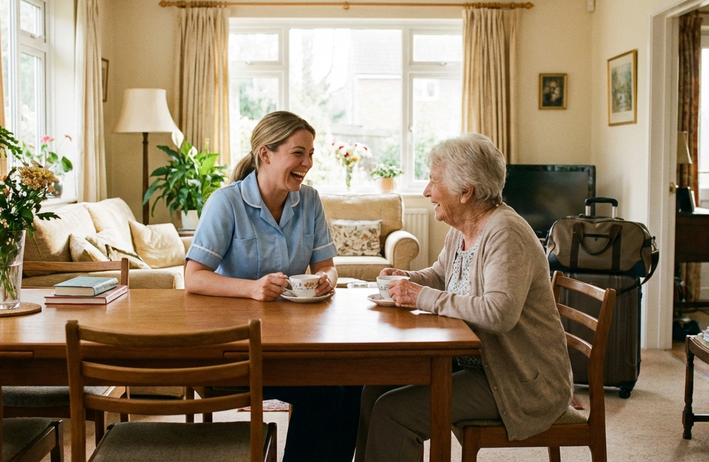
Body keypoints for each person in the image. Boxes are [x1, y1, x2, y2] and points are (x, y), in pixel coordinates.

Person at [354, 133, 573, 461]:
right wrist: (407, 278)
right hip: (474, 364)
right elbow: (441, 276)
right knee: (375, 388)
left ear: (465, 191)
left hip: (518, 380)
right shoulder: (462, 229)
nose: (427, 191)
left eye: (432, 181)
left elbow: (499, 313)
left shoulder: (505, 233)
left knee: (393, 413)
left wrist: (420, 295)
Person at [185, 111, 361, 462]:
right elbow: (193, 277)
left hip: (294, 343)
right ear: (266, 154)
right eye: (298, 153)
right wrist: (250, 289)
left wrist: (328, 279)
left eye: (310, 154)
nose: (307, 163)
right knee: (327, 394)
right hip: (236, 352)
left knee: (352, 378)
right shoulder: (227, 203)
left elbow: (326, 265)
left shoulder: (309, 200)